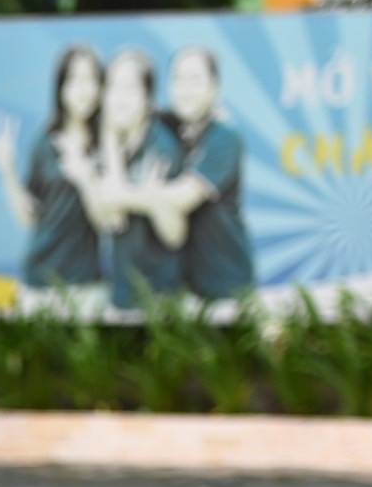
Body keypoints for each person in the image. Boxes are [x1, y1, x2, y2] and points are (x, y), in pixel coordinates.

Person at [0, 46, 106, 293]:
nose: (84, 90)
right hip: (40, 278)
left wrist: (85, 176)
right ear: (61, 89)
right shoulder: (45, 142)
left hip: (87, 282)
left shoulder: (108, 143)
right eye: (74, 80)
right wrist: (7, 170)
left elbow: (107, 221)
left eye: (91, 80)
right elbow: (30, 218)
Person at [93, 49, 187, 311]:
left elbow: (175, 234)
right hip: (123, 292)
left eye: (130, 88)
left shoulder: (162, 148)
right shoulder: (113, 146)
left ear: (148, 99)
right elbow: (111, 218)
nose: (119, 97)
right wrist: (109, 139)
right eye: (112, 87)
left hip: (160, 298)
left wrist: (123, 196)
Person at [159, 47, 255, 302]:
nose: (185, 88)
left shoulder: (225, 138)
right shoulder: (169, 127)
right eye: (178, 79)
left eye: (195, 80)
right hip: (187, 289)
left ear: (214, 88)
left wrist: (121, 193)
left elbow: (181, 199)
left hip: (228, 289)